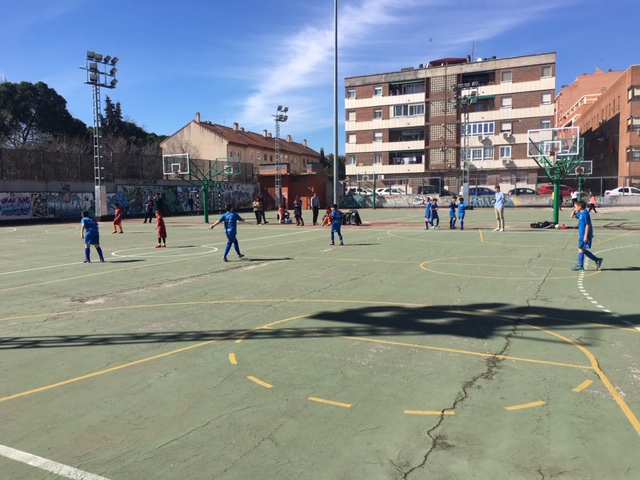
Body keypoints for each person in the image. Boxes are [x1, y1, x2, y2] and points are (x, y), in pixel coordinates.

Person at [570, 200, 603, 271]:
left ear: (580, 207)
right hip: (582, 234)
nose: (574, 208)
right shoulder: (580, 213)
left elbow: (588, 225)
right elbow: (571, 216)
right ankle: (597, 260)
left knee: (580, 248)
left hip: (585, 234)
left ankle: (580, 265)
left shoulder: (585, 213)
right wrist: (574, 210)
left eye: (575, 207)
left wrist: (585, 236)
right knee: (583, 249)